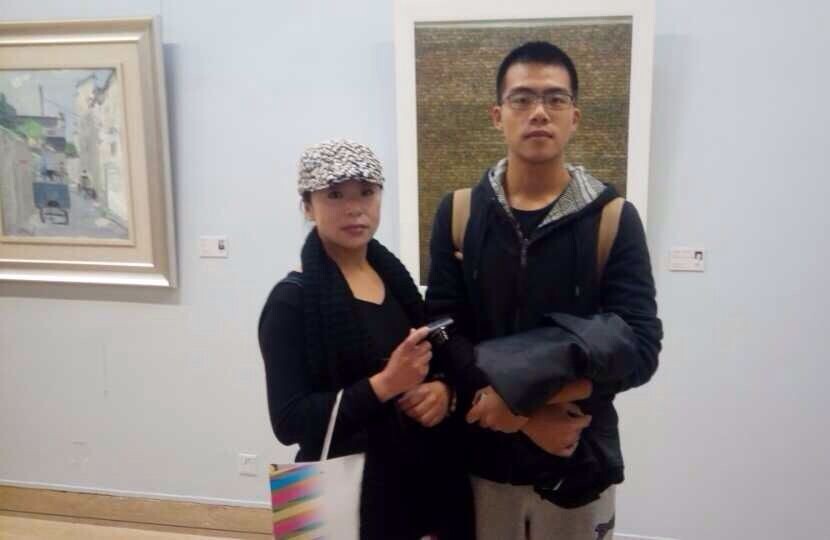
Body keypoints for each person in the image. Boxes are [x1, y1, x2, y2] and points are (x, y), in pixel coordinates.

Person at [425, 41, 663, 539]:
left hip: (577, 460)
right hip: (480, 463)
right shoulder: (459, 214)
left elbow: (641, 349)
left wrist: (522, 405)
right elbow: (443, 330)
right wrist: (518, 415)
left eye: (555, 99)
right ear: (497, 115)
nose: (539, 112)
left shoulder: (613, 218)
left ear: (574, 117)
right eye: (522, 99)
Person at [259, 140, 473, 539]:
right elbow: (289, 422)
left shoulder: (397, 283)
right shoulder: (291, 301)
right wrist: (385, 384)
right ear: (308, 206)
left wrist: (443, 392)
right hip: (344, 494)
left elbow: (436, 363)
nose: (354, 208)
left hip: (419, 482)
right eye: (334, 195)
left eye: (366, 192)